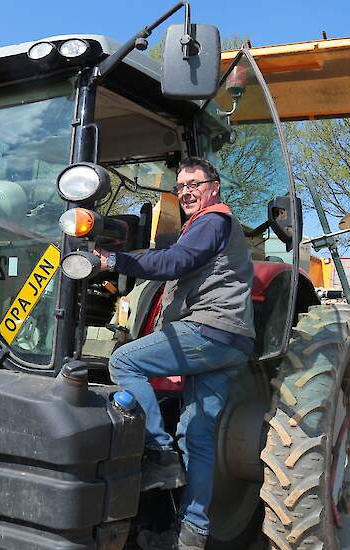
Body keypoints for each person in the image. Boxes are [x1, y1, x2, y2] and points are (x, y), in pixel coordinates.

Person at [95, 157, 254, 550]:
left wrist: (114, 259)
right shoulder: (209, 227)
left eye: (194, 184)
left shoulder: (212, 221)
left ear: (213, 187)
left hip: (210, 330)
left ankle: (159, 452)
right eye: (180, 186)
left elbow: (175, 262)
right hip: (233, 343)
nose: (185, 191)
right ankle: (193, 533)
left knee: (124, 361)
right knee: (197, 436)